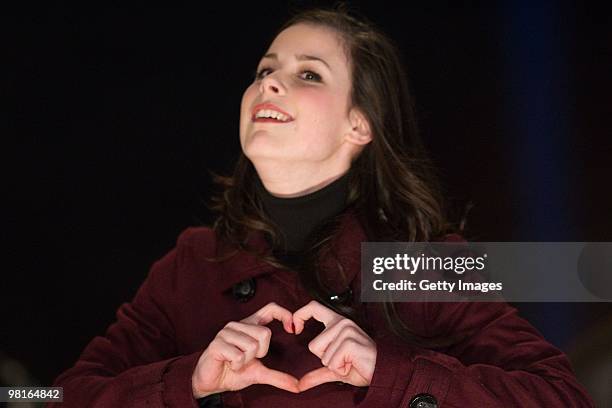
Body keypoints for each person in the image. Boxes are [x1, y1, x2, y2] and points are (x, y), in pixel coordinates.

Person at [48, 5, 595, 407]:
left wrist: (393, 374)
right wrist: (189, 380)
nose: (271, 84)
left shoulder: (423, 262)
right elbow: (49, 395)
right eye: (265, 70)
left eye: (308, 73)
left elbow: (560, 397)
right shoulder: (190, 263)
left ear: (360, 124)